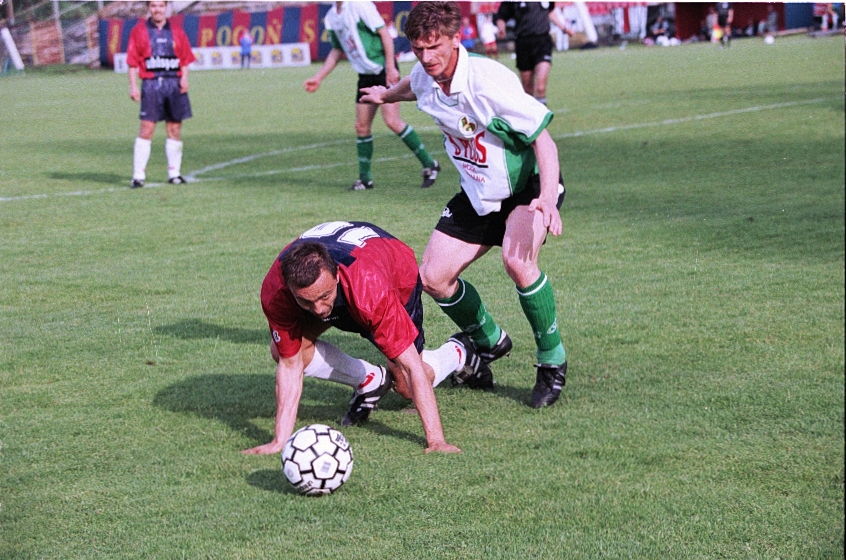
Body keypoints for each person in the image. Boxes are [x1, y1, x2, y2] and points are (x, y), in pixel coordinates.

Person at [360, 2, 569, 409]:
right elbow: (413, 84)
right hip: (478, 191)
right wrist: (386, 94)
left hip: (526, 187)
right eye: (418, 48)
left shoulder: (488, 83)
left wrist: (547, 196)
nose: (427, 57)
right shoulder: (426, 74)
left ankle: (551, 360)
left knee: (518, 262)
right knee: (433, 277)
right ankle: (490, 340)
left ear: (457, 39)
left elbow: (543, 140)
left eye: (435, 46)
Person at [242, 220, 494, 456]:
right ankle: (370, 380)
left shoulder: (370, 290)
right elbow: (289, 365)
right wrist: (279, 441)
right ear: (290, 288)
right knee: (286, 351)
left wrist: (436, 440)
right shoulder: (276, 292)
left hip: (394, 274)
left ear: (336, 275)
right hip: (352, 272)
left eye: (324, 296)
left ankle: (458, 352)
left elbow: (412, 367)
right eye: (306, 301)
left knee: (406, 385)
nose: (318, 309)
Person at [304, 2, 440, 191]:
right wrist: (318, 77)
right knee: (361, 126)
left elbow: (384, 33)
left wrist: (390, 67)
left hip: (382, 68)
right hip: (365, 75)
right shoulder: (331, 17)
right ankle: (365, 180)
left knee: (392, 121)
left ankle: (430, 165)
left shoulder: (360, 5)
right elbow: (337, 50)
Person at [126, 0, 195, 188]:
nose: (157, 9)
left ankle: (174, 174)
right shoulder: (139, 31)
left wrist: (184, 78)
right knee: (146, 129)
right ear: (149, 8)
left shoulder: (177, 31)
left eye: (161, 6)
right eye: (154, 6)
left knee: (174, 129)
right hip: (151, 85)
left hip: (174, 84)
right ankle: (138, 176)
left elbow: (184, 59)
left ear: (166, 8)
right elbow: (132, 62)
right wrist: (133, 86)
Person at [494, 1, 571, 106]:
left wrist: (564, 28)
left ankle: (542, 114)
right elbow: (501, 16)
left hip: (542, 41)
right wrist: (501, 27)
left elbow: (550, 11)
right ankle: (530, 113)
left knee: (540, 87)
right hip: (523, 43)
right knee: (527, 89)